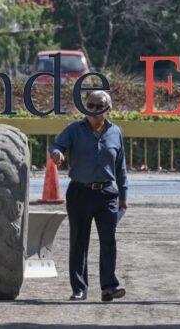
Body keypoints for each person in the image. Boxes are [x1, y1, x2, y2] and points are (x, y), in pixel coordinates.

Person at [50, 90, 128, 302]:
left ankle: (109, 287)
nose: (94, 109)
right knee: (78, 242)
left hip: (107, 195)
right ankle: (79, 289)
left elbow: (121, 167)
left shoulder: (115, 133)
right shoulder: (74, 130)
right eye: (90, 105)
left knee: (109, 241)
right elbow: (57, 145)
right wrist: (57, 153)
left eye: (99, 105)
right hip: (80, 193)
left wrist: (124, 195)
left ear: (107, 108)